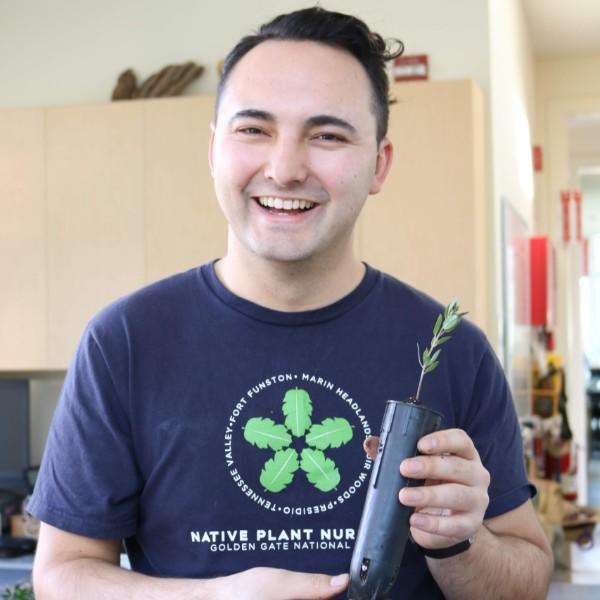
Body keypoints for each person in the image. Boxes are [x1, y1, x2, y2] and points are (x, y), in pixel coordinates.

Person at [30, 7, 553, 599]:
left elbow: (527, 581)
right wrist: (213, 598)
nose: (284, 168)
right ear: (213, 150)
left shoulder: (452, 348)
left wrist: (462, 543)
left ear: (379, 163)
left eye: (328, 135)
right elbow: (60, 575)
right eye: (254, 129)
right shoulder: (124, 342)